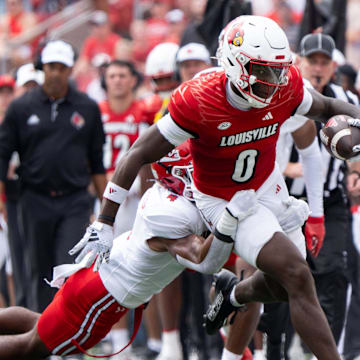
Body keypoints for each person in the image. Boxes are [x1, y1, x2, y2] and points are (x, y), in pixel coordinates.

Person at [71, 15, 360, 360]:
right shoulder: (198, 99)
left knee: (287, 285)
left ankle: (235, 295)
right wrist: (104, 221)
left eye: (279, 69)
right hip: (225, 199)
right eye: (264, 71)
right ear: (236, 64)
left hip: (268, 184)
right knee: (298, 277)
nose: (276, 80)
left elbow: (326, 107)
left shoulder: (285, 86)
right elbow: (137, 154)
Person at [0, 143, 264, 359]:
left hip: (98, 279)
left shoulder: (163, 193)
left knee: (42, 325)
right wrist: (230, 217)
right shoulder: (172, 215)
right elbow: (203, 259)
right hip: (102, 295)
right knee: (33, 347)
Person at [0, 40, 107, 313]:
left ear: (71, 69)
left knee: (68, 268)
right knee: (37, 268)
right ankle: (41, 341)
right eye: (51, 67)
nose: (56, 73)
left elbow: (96, 162)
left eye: (62, 67)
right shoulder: (21, 108)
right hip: (33, 199)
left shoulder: (87, 107)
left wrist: (107, 211)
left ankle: (67, 340)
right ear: (42, 68)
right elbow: (2, 155)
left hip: (74, 200)